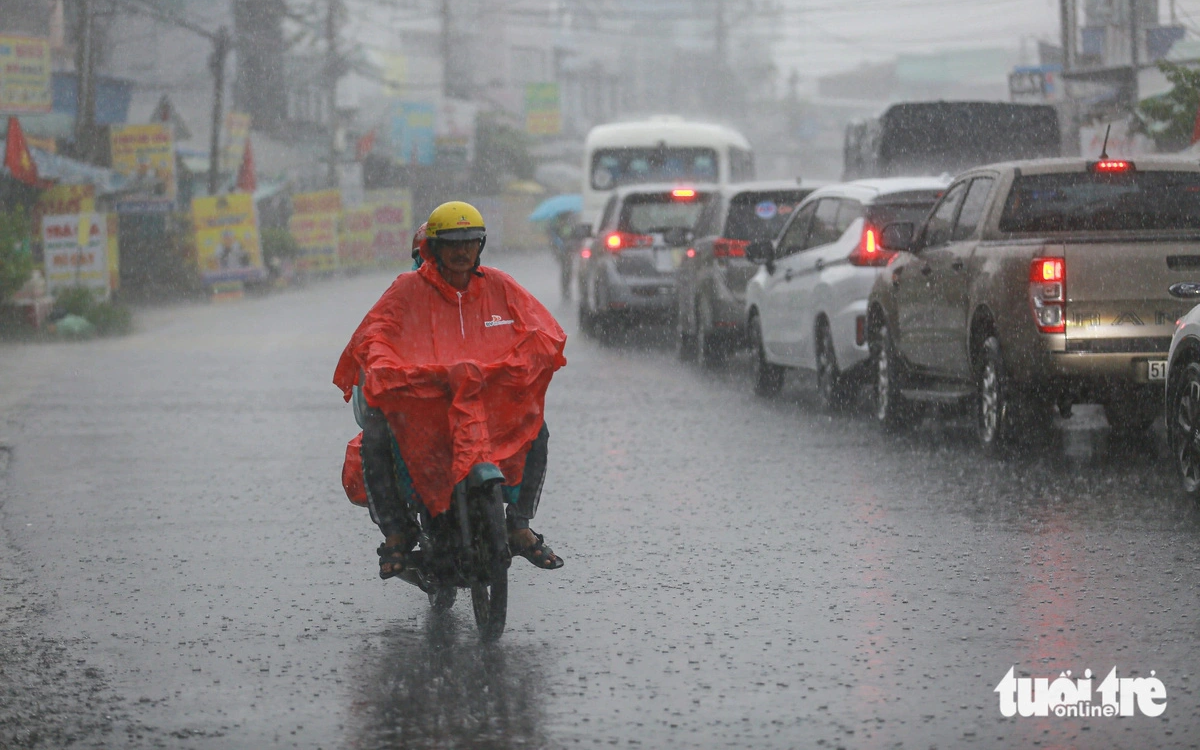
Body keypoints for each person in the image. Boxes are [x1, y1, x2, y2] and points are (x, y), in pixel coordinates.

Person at [334, 201, 567, 579]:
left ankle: (519, 524)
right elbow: (375, 334)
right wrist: (385, 367)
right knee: (376, 436)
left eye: (470, 242)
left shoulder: (499, 284)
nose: (462, 251)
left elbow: (541, 328)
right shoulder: (407, 288)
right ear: (432, 249)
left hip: (484, 403)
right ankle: (396, 532)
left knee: (537, 429)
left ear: (481, 245)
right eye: (452, 243)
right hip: (421, 403)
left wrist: (526, 363)